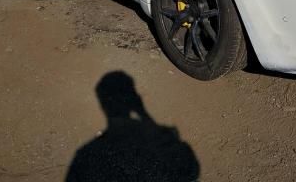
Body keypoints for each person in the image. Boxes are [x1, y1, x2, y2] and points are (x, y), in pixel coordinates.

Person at [66, 71, 200, 181]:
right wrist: (145, 115)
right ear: (136, 100)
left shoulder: (87, 154)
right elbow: (191, 171)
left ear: (104, 106)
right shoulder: (167, 141)